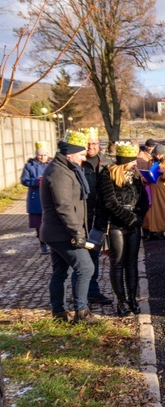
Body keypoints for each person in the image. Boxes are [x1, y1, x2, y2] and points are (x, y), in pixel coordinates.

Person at [40, 130, 98, 323]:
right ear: (69, 154)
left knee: (60, 272)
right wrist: (77, 232)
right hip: (61, 233)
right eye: (81, 154)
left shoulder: (65, 168)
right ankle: (81, 313)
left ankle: (58, 313)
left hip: (58, 232)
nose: (83, 158)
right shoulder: (58, 172)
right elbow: (63, 206)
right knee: (85, 267)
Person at [94, 142, 149, 316]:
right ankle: (121, 301)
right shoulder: (107, 175)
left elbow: (143, 200)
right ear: (125, 161)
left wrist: (138, 218)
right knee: (117, 263)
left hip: (133, 224)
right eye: (132, 161)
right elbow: (110, 203)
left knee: (132, 263)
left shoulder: (135, 177)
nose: (135, 164)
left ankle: (132, 298)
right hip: (116, 225)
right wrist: (130, 219)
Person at [75, 127, 113, 306]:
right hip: (80, 218)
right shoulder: (77, 163)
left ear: (99, 145)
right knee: (79, 257)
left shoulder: (107, 163)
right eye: (88, 144)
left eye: (94, 143)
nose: (91, 147)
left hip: (98, 219)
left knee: (93, 255)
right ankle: (80, 295)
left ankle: (92, 292)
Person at [21, 141, 50, 254]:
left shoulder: (51, 164)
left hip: (49, 196)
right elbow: (24, 180)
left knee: (50, 221)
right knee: (39, 223)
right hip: (36, 198)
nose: (42, 157)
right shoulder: (29, 165)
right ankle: (42, 243)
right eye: (40, 155)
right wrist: (37, 181)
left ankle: (51, 241)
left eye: (44, 155)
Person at [142, 144, 165, 241]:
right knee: (149, 212)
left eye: (159, 154)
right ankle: (150, 232)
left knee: (161, 212)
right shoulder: (151, 161)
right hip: (150, 190)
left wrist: (164, 172)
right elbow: (146, 172)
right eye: (156, 154)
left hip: (162, 193)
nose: (157, 156)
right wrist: (144, 178)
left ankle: (161, 231)